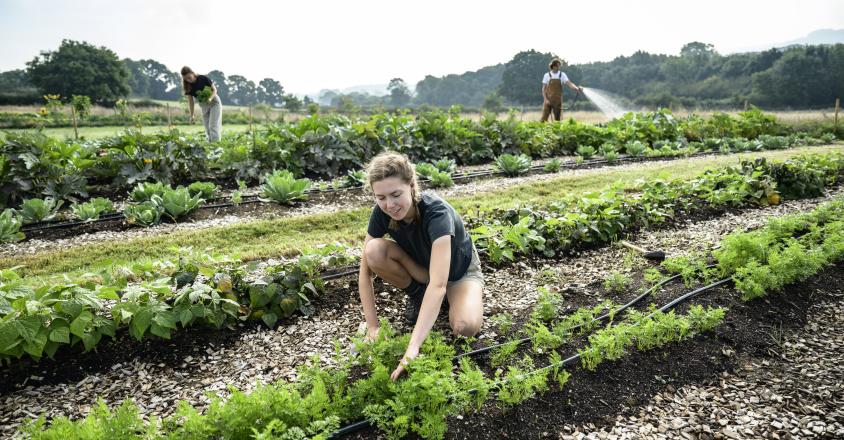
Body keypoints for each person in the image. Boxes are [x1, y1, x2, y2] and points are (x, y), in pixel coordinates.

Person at [359, 152, 484, 380]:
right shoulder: (381, 213)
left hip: (457, 273)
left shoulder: (437, 213)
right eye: (381, 197)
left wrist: (413, 348)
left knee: (465, 327)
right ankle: (418, 298)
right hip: (423, 269)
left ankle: (449, 302)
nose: (390, 204)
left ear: (412, 185)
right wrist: (373, 328)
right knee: (373, 251)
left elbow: (438, 284)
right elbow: (364, 272)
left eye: (396, 194)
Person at [181, 66, 222, 142]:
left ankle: (216, 145)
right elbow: (191, 102)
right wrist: (192, 115)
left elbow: (214, 90)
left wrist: (210, 98)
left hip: (214, 102)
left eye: (189, 77)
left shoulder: (203, 78)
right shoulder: (188, 86)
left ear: (193, 73)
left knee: (213, 126)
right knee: (207, 127)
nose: (188, 80)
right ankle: (211, 145)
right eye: (186, 79)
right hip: (204, 105)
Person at [541, 58, 583, 122]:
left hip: (558, 101)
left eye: (559, 66)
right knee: (544, 119)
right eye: (558, 66)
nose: (559, 67)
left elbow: (569, 83)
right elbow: (544, 89)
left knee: (557, 120)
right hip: (548, 100)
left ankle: (556, 131)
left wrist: (576, 88)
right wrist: (546, 100)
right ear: (553, 66)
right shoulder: (547, 75)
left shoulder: (562, 75)